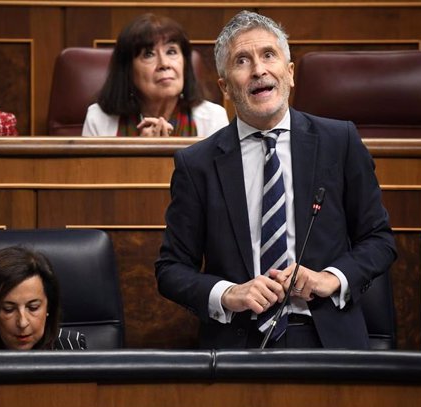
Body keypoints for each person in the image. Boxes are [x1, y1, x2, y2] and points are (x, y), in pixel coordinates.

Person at [155, 11, 397, 349]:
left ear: (290, 72)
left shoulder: (338, 141)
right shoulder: (197, 163)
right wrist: (228, 294)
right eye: (242, 60)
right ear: (225, 87)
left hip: (326, 337)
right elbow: (171, 269)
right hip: (238, 340)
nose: (259, 70)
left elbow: (379, 240)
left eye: (269, 55)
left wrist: (329, 279)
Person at [82, 13, 228, 137]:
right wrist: (140, 154)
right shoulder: (99, 119)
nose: (164, 64)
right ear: (127, 70)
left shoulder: (213, 118)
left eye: (171, 52)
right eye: (148, 54)